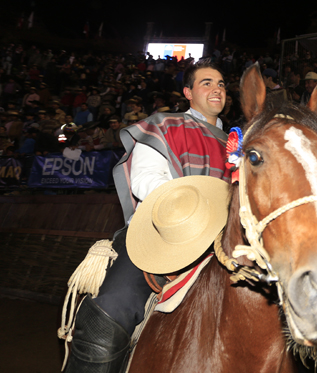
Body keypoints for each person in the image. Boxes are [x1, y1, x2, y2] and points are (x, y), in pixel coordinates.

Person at [64, 59, 230, 373]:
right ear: (188, 92)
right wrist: (191, 209)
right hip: (161, 234)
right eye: (206, 83)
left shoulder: (239, 142)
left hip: (220, 241)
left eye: (221, 83)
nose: (217, 89)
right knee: (112, 310)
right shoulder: (163, 125)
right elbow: (144, 179)